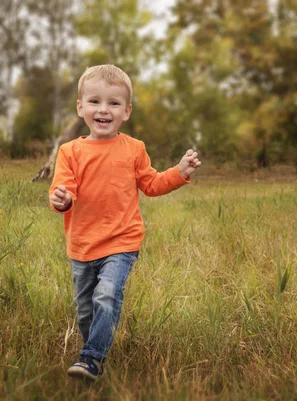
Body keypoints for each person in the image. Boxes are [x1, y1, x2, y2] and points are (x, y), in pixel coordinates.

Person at [49, 64, 201, 381]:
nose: (103, 109)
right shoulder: (70, 151)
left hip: (121, 243)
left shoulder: (133, 149)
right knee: (86, 310)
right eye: (94, 101)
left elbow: (153, 184)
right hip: (81, 244)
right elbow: (64, 189)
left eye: (114, 103)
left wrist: (180, 172)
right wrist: (61, 198)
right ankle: (94, 347)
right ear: (81, 107)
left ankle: (91, 359)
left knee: (106, 296)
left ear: (126, 111)